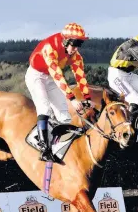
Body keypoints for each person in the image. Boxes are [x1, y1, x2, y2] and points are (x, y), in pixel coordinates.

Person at [25, 23, 92, 162]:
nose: (76, 48)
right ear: (66, 41)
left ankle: (59, 145)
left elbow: (80, 76)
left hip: (49, 78)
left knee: (64, 115)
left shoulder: (76, 56)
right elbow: (58, 76)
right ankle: (44, 149)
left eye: (79, 44)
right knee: (44, 109)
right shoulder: (50, 48)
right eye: (74, 44)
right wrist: (72, 98)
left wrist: (87, 97)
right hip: (36, 76)